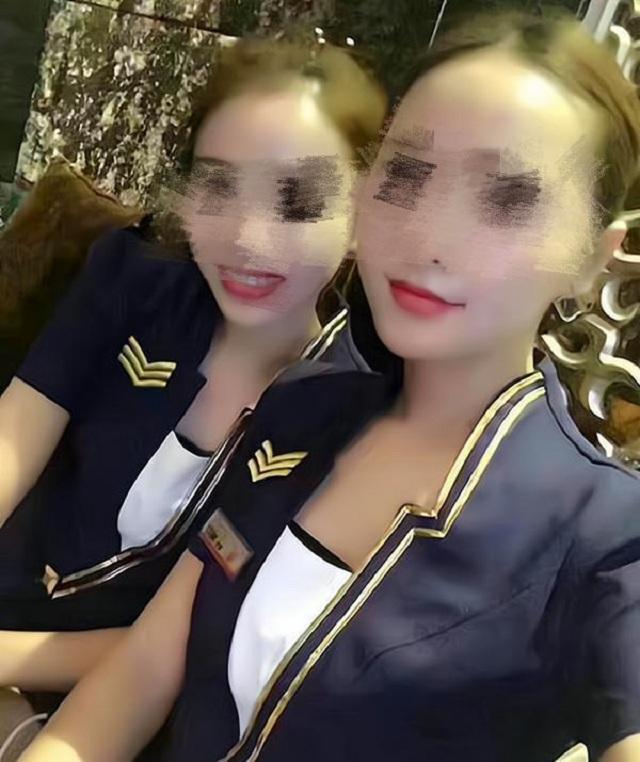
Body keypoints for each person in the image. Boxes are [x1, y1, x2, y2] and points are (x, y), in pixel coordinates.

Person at [18, 10, 640, 762]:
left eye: (508, 200)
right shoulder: (302, 407)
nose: (427, 237)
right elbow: (144, 668)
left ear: (594, 257)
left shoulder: (608, 535)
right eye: (406, 177)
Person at [0, 36, 386, 685]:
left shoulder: (348, 419)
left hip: (101, 694)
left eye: (297, 203)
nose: (247, 238)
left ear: (360, 216)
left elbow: (194, 639)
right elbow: (16, 432)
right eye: (217, 189)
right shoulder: (137, 277)